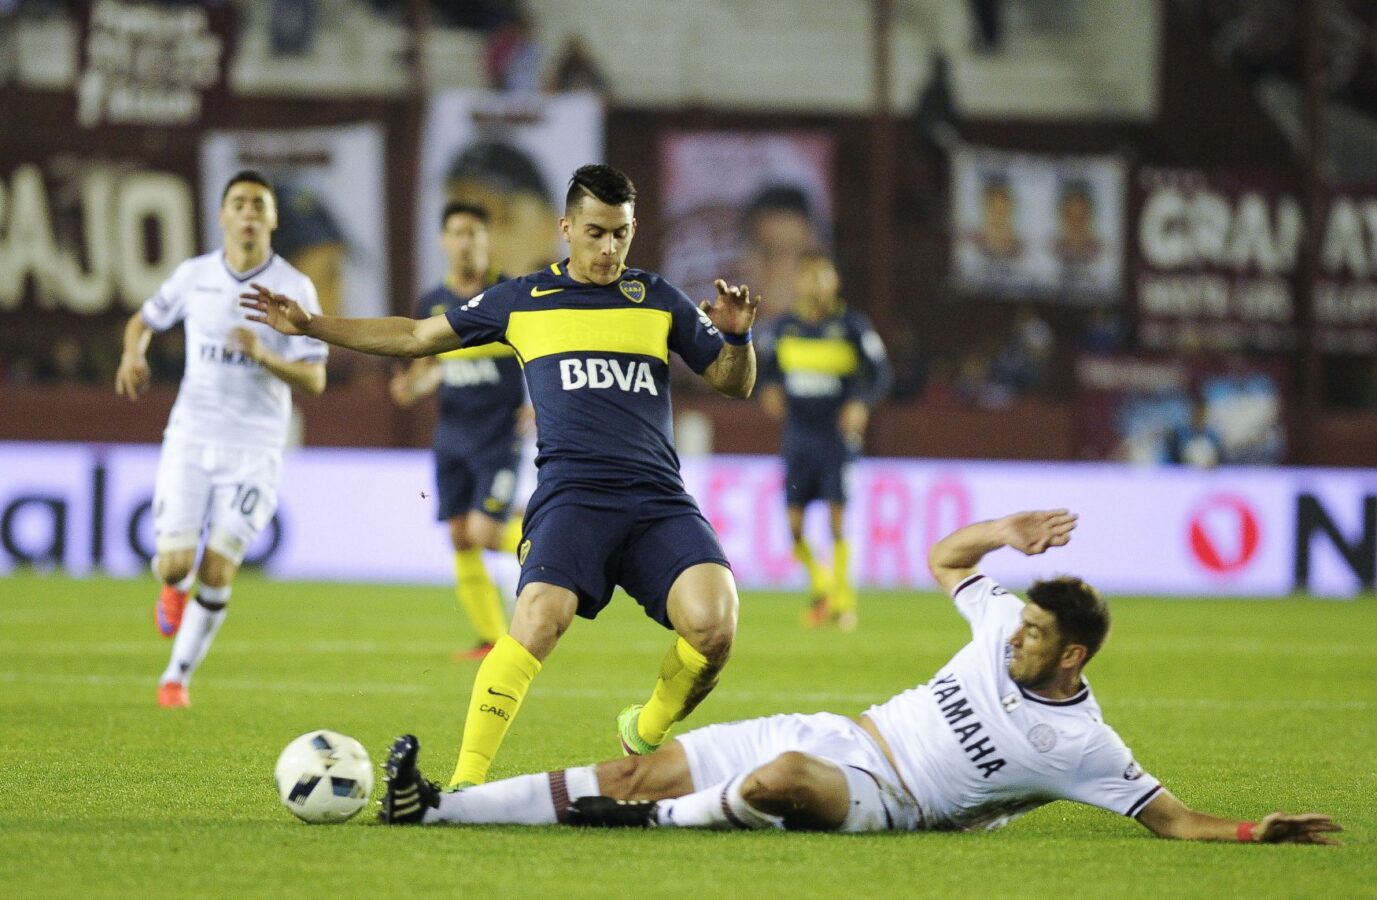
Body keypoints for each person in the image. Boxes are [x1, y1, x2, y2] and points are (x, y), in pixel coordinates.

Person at [373, 508, 1342, 847]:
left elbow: (1170, 818)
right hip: (845, 726)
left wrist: (1257, 829)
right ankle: (432, 809)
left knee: (781, 781)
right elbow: (946, 558)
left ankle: (658, 826)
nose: (1015, 636)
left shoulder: (1082, 746)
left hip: (885, 797)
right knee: (634, 767)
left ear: (1072, 656)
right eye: (1023, 621)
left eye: (1037, 633)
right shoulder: (1005, 617)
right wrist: (1006, 532)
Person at [242, 164, 760, 788]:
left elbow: (736, 383)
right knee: (539, 619)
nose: (608, 248)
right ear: (566, 229)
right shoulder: (523, 299)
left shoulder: (659, 299)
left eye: (620, 234)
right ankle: (464, 784)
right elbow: (414, 336)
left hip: (658, 499)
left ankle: (644, 728)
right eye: (595, 233)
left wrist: (737, 340)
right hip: (574, 496)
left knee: (715, 626)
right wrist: (311, 325)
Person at [115, 170, 327, 709]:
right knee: (176, 564)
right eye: (239, 203)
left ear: (273, 218)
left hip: (255, 448)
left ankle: (175, 678)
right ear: (223, 217)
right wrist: (132, 353)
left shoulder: (295, 287)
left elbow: (315, 379)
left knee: (219, 567)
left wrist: (263, 354)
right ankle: (170, 586)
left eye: (260, 203)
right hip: (191, 437)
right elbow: (142, 321)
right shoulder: (194, 276)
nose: (250, 212)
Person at [390, 201, 529, 660]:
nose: (465, 242)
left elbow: (540, 356)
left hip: (499, 435)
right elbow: (425, 369)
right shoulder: (431, 302)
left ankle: (556, 551)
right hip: (452, 434)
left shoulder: (512, 295)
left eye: (474, 232)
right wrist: (415, 382)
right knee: (459, 536)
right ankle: (492, 639)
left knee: (486, 532)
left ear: (487, 239)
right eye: (457, 233)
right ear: (442, 241)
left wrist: (537, 404)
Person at [756, 252, 891, 630]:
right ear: (797, 282)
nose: (815, 284)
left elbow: (880, 373)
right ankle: (823, 584)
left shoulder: (853, 327)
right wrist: (768, 390)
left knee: (836, 518)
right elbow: (764, 373)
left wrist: (861, 403)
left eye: (822, 276)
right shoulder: (782, 328)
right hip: (798, 437)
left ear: (835, 281)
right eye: (808, 276)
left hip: (836, 437)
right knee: (794, 525)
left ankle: (843, 601)